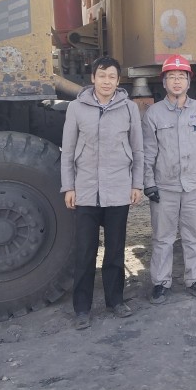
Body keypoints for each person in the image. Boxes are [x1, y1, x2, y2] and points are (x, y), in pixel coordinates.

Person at [60, 56, 144, 330]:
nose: (106, 81)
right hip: (86, 191)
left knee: (115, 250)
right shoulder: (76, 108)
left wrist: (137, 184)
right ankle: (82, 309)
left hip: (118, 190)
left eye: (112, 77)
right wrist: (69, 187)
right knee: (85, 251)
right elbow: (68, 152)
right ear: (93, 78)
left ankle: (115, 301)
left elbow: (138, 150)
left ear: (118, 81)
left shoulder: (129, 108)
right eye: (102, 75)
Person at [142, 54, 196, 304]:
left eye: (181, 76)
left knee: (193, 234)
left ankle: (195, 279)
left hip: (194, 186)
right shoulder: (154, 114)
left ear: (189, 81)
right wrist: (148, 183)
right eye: (171, 77)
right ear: (163, 82)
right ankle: (161, 283)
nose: (176, 81)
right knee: (162, 238)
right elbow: (147, 152)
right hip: (164, 187)